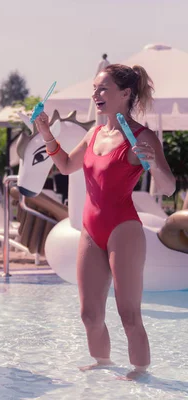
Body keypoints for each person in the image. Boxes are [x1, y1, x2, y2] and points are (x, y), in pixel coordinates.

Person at [34, 64, 176, 380]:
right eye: (95, 89)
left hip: (123, 230)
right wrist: (46, 134)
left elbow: (168, 187)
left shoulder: (143, 136)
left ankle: (142, 373)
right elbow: (66, 165)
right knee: (89, 314)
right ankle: (103, 364)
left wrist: (152, 163)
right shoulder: (94, 132)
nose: (96, 95)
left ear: (125, 94)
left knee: (128, 314)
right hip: (91, 230)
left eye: (103, 89)